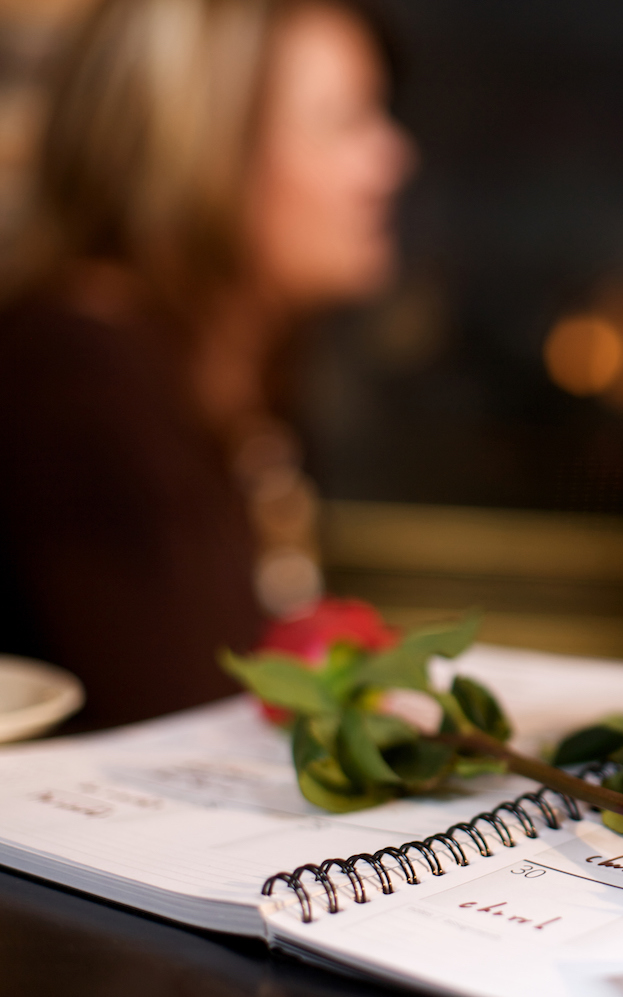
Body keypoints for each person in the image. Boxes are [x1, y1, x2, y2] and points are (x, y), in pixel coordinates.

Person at [0, 0, 411, 729]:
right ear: (203, 148)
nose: (392, 158)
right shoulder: (79, 381)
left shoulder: (232, 368)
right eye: (344, 121)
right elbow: (185, 731)